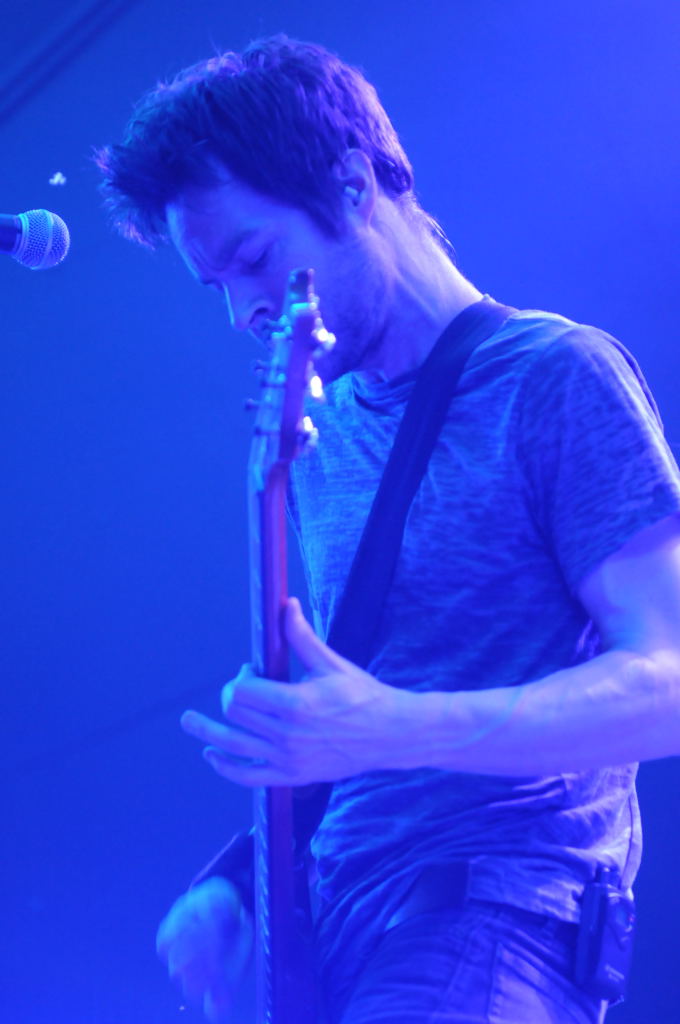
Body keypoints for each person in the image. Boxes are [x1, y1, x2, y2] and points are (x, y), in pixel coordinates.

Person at [96, 34, 680, 1024]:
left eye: (252, 258)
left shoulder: (555, 374)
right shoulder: (322, 440)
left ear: (353, 184)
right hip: (342, 936)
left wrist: (391, 724)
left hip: (491, 921)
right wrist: (240, 884)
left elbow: (670, 680)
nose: (240, 312)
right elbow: (358, 709)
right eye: (216, 284)